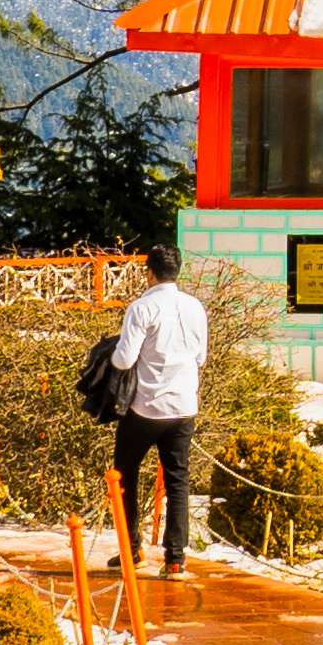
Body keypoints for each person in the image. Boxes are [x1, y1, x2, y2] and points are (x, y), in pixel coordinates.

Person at [100, 241, 210, 572]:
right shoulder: (195, 307)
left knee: (125, 474)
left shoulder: (141, 308)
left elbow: (124, 358)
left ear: (149, 273)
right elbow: (201, 357)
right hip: (184, 405)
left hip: (146, 406)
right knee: (178, 479)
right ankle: (175, 559)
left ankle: (131, 547)